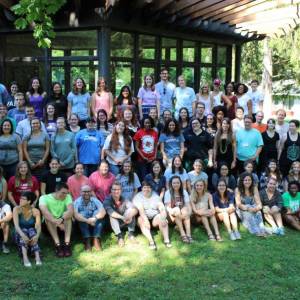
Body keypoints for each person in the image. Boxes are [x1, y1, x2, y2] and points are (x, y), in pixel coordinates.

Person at [133, 181, 171, 250]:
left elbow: (161, 208)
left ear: (151, 189)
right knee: (140, 220)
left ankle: (166, 240)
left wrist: (163, 217)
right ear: (141, 189)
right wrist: (146, 220)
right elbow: (141, 211)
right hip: (143, 216)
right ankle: (151, 241)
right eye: (144, 187)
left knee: (162, 218)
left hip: (154, 218)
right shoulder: (138, 196)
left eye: (149, 187)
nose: (146, 189)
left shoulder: (155, 196)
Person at [39, 182, 73, 257]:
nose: (65, 195)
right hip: (49, 225)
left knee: (68, 217)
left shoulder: (68, 196)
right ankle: (57, 245)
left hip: (63, 223)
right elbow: (45, 212)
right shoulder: (44, 198)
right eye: (63, 193)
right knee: (48, 218)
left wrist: (61, 219)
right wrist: (57, 222)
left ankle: (67, 244)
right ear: (56, 190)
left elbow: (70, 211)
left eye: (66, 193)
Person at [103, 182, 138, 247]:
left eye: (118, 189)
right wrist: (123, 217)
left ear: (121, 190)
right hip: (112, 224)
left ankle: (131, 234)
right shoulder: (107, 200)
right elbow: (111, 212)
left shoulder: (124, 199)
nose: (116, 191)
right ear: (111, 190)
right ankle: (120, 237)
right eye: (114, 189)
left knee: (131, 212)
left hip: (125, 221)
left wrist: (130, 215)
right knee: (112, 216)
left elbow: (135, 209)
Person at [13, 192, 42, 266]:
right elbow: (16, 226)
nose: (20, 200)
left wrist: (37, 235)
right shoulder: (16, 209)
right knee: (25, 230)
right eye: (21, 198)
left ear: (29, 201)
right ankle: (25, 258)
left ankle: (37, 257)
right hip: (19, 234)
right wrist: (23, 235)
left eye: (23, 199)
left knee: (31, 230)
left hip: (31, 236)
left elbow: (38, 226)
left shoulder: (35, 211)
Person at [74, 185, 106, 251]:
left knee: (98, 213)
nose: (86, 193)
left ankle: (96, 239)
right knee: (81, 215)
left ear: (91, 192)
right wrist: (87, 220)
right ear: (80, 192)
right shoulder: (77, 202)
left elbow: (103, 212)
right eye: (84, 191)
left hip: (94, 222)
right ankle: (87, 240)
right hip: (83, 222)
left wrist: (94, 218)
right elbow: (76, 215)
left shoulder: (95, 200)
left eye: (88, 191)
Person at [164, 176, 192, 243]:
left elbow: (188, 204)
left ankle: (188, 235)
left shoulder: (184, 191)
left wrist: (189, 213)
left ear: (180, 184)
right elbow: (167, 207)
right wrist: (174, 212)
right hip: (171, 214)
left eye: (177, 183)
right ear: (171, 184)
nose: (176, 184)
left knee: (185, 209)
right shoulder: (168, 192)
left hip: (182, 214)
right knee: (177, 209)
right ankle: (182, 233)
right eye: (174, 183)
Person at [133, 116, 158, 180]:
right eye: (146, 123)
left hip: (152, 159)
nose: (148, 124)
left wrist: (155, 156)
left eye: (149, 123)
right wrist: (143, 157)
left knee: (153, 176)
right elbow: (136, 147)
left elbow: (155, 145)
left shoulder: (155, 133)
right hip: (142, 160)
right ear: (143, 123)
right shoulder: (139, 132)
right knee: (144, 177)